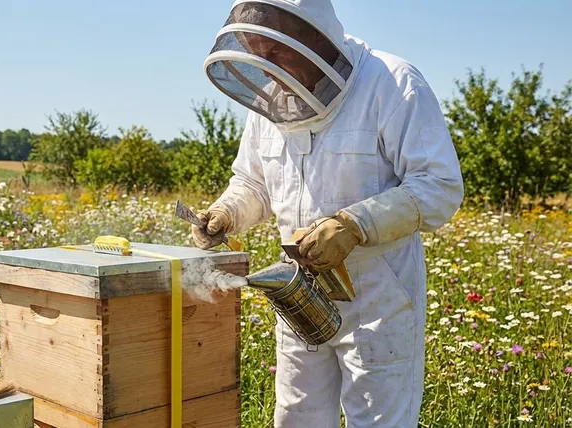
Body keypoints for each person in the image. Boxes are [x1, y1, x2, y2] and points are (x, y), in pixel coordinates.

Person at [192, 1, 464, 427]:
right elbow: (254, 183)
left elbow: (439, 185)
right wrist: (227, 211)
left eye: (275, 52)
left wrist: (355, 225)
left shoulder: (391, 83)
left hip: (378, 297)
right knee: (298, 418)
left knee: (377, 423)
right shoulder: (269, 102)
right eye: (257, 53)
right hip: (299, 294)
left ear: (313, 38)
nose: (268, 68)